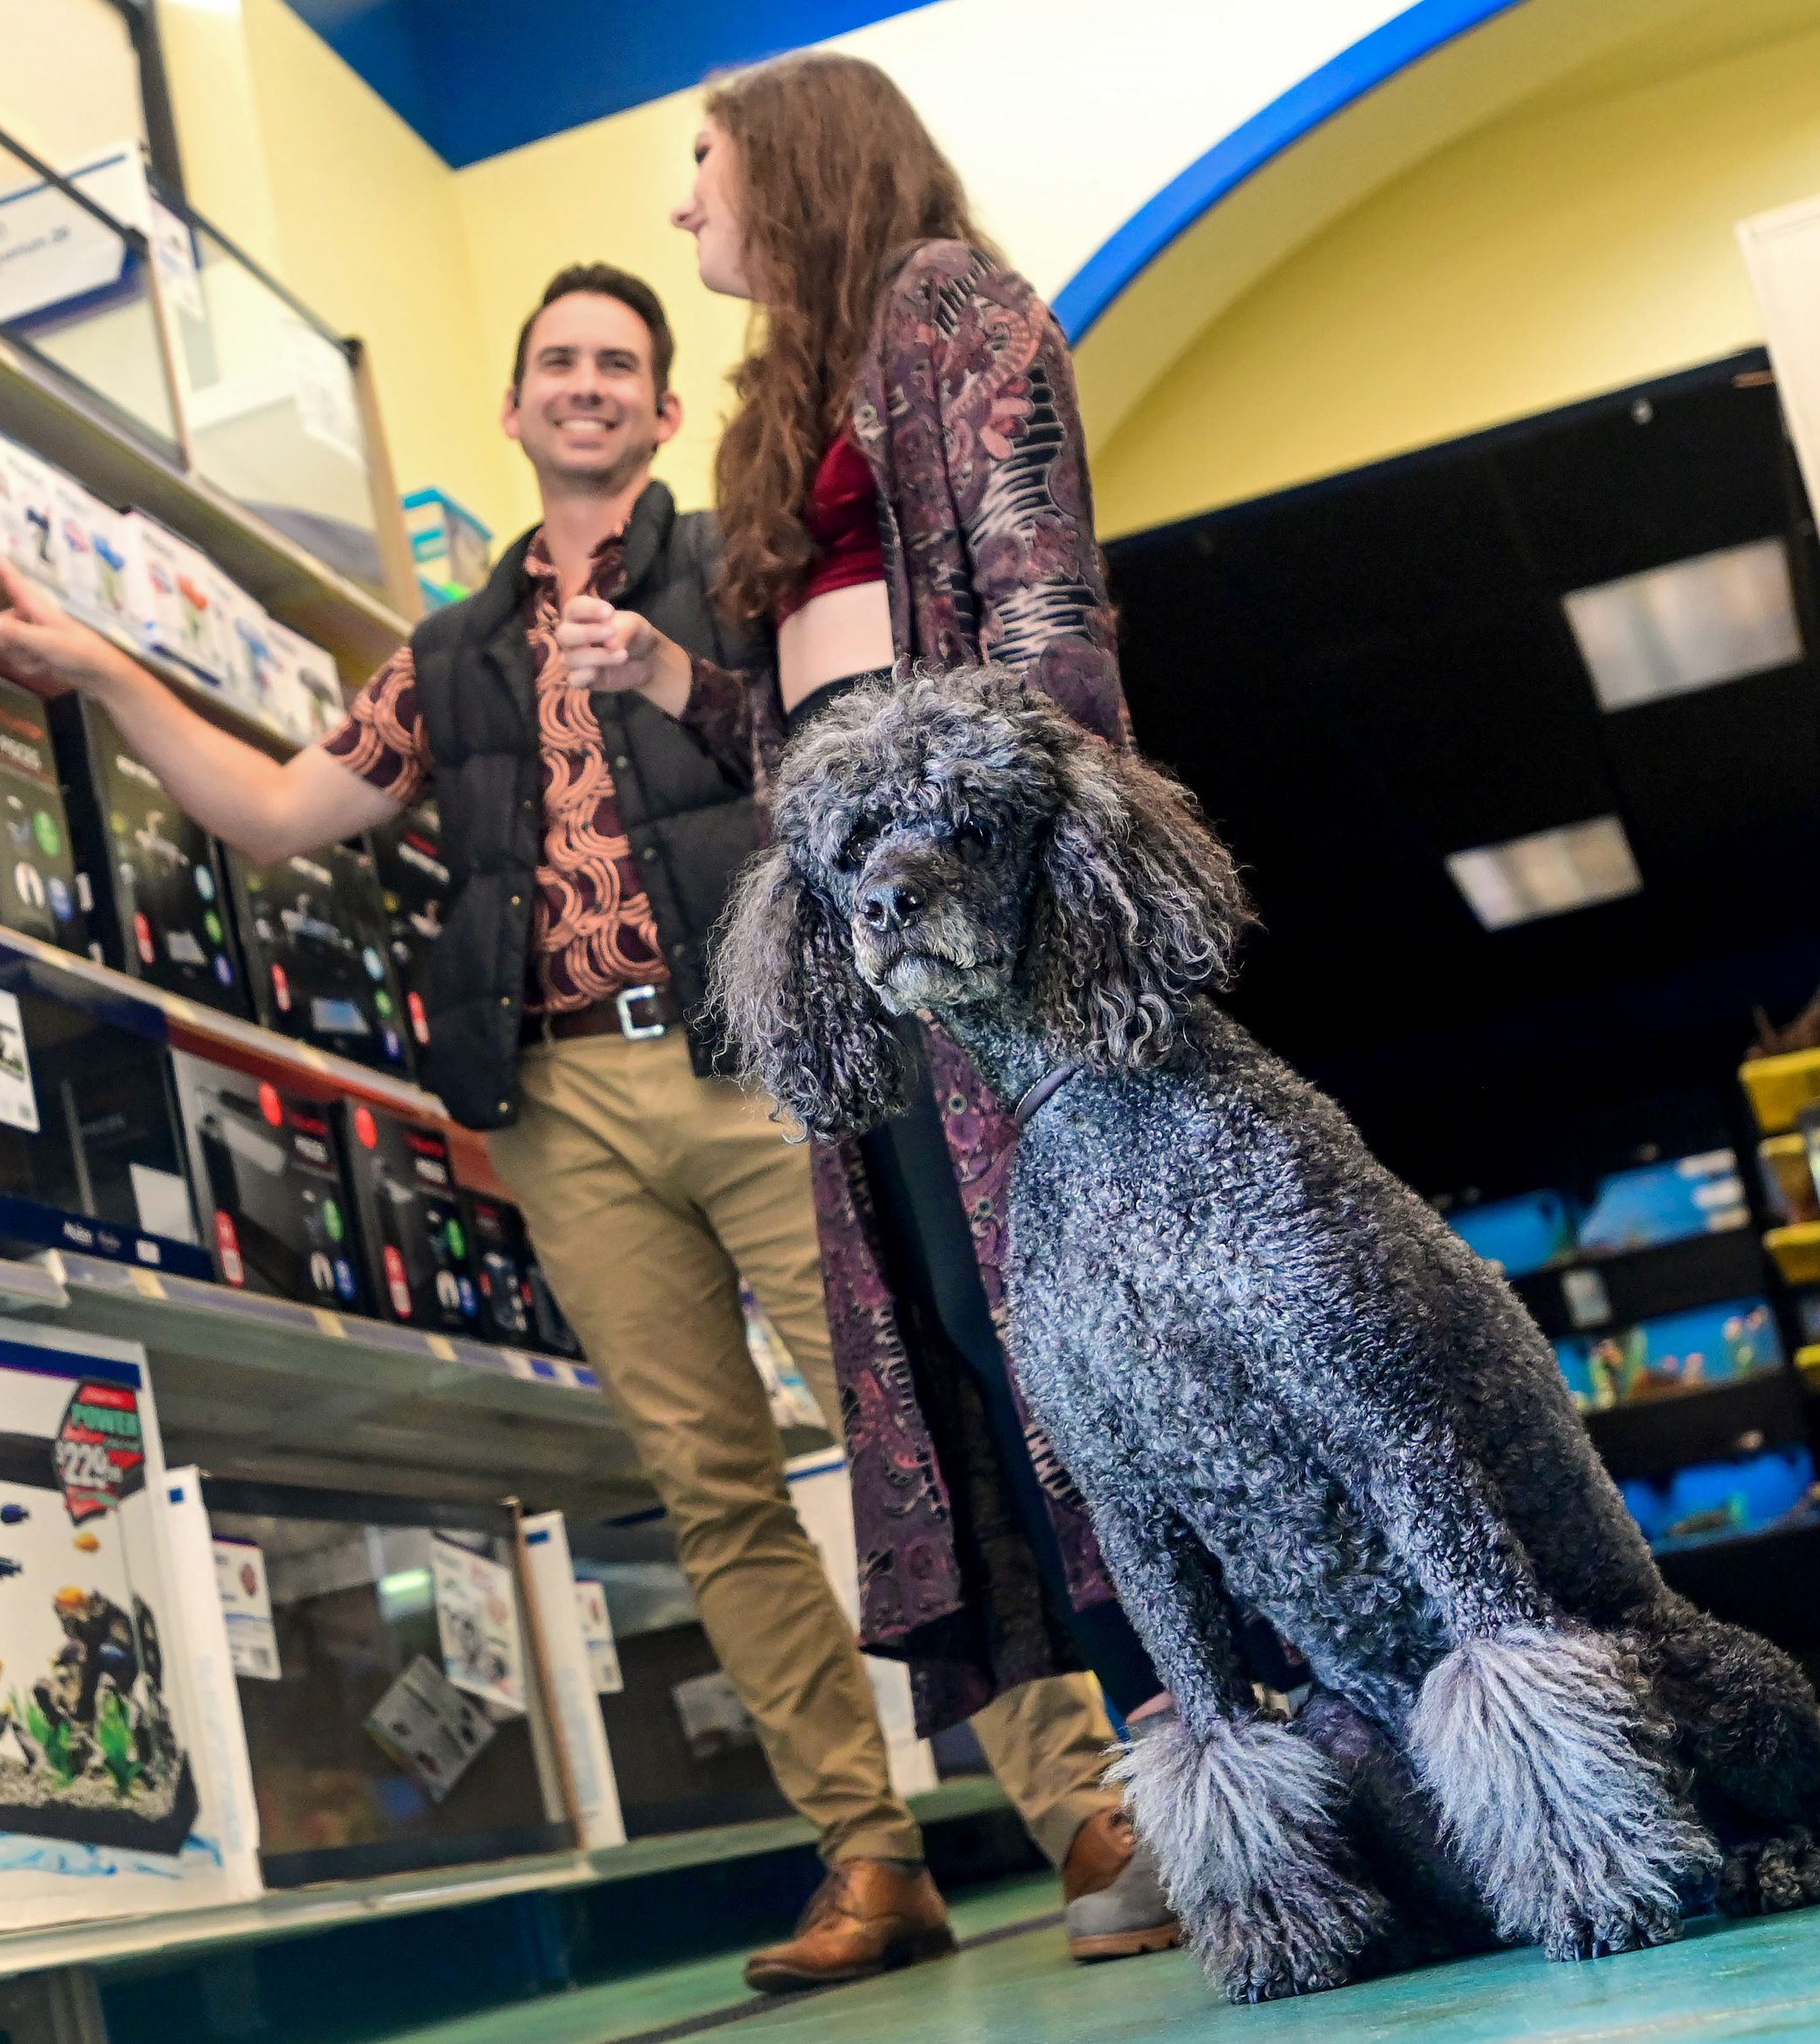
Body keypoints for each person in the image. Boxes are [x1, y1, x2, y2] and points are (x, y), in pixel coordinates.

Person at [0, 263, 1169, 1986]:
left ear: (665, 412)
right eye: (561, 361)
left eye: (622, 361)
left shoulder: (741, 571)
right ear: (521, 408)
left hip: (764, 1058)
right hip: (563, 1106)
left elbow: (837, 757)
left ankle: (1084, 1808)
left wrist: (692, 680)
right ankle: (867, 1852)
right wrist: (96, 665)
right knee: (714, 1487)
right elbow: (272, 810)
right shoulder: (448, 656)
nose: (590, 383)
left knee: (912, 1423)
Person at [639, 48, 1189, 1965]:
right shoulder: (797, 389)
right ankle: (1175, 1761)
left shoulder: (945, 306)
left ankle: (1221, 1753)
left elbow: (1040, 624)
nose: (682, 200)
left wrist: (1015, 896)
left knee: (1068, 1330)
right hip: (873, 950)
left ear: (790, 164)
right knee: (972, 1340)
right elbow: (819, 711)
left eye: (699, 162)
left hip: (981, 938)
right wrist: (686, 688)